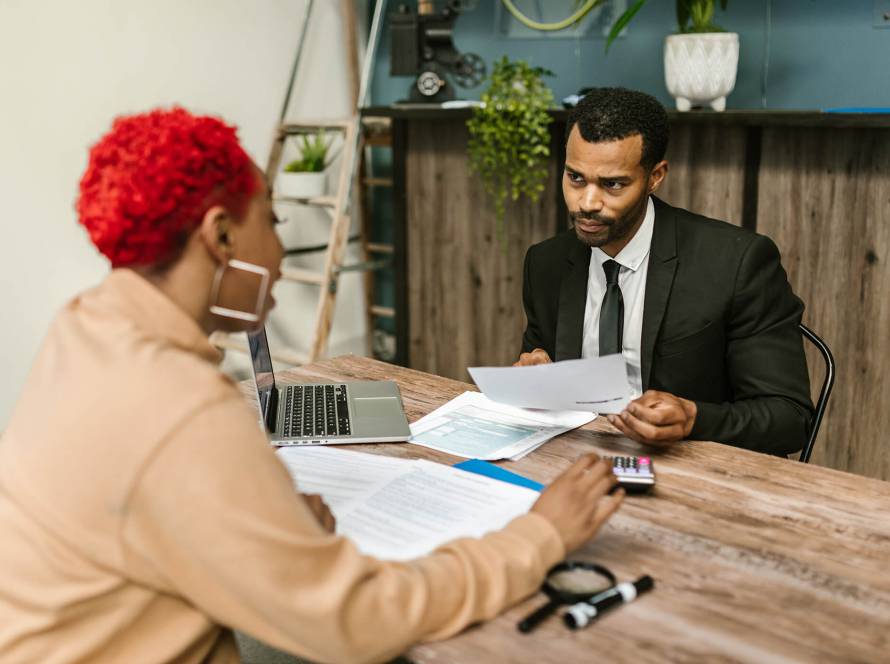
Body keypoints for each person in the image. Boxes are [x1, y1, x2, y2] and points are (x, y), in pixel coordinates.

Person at [0, 108, 624, 663]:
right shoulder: (182, 408)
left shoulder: (86, 325)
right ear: (221, 238)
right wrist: (539, 535)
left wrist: (256, 515)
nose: (279, 255)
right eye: (270, 221)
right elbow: (358, 621)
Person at [516, 88, 813, 456]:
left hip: (694, 470)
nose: (587, 203)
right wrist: (533, 379)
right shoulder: (546, 264)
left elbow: (789, 419)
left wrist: (694, 419)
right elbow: (543, 381)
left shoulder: (736, 263)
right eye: (576, 178)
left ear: (655, 176)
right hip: (578, 463)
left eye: (612, 184)